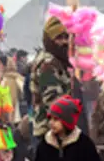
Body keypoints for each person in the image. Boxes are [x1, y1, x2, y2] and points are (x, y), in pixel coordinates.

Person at [30, 17, 72, 153]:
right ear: (49, 40)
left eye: (66, 37)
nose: (64, 42)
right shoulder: (48, 64)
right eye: (58, 38)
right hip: (49, 132)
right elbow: (53, 102)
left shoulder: (56, 61)